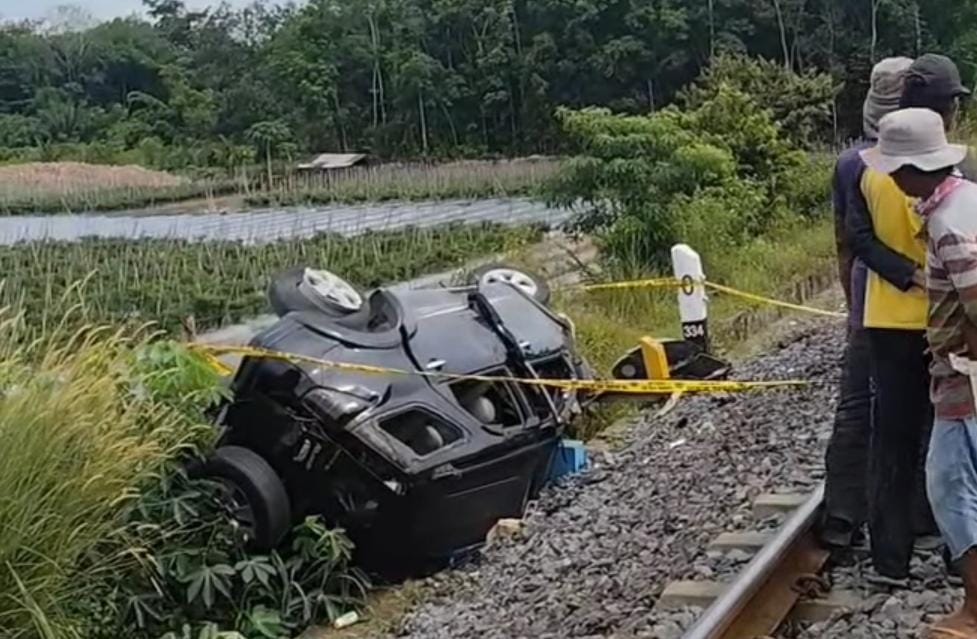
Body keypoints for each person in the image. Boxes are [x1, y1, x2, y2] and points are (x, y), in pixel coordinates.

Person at [862, 107, 977, 639]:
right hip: (961, 373)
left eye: (893, 168)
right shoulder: (964, 200)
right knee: (954, 481)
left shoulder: (950, 226)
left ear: (910, 169)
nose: (889, 177)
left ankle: (975, 611)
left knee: (949, 485)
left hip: (966, 379)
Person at [843, 61, 933, 585]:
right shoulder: (962, 176)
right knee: (950, 435)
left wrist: (903, 275)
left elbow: (858, 240)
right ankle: (953, 546)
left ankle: (889, 558)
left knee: (891, 439)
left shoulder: (863, 169)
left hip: (883, 319)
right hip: (945, 323)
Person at [820, 57, 914, 551]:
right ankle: (921, 513)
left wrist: (850, 303)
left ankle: (843, 513)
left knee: (857, 402)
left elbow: (846, 243)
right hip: (928, 300)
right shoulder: (953, 162)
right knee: (927, 408)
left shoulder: (851, 164)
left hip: (868, 299)